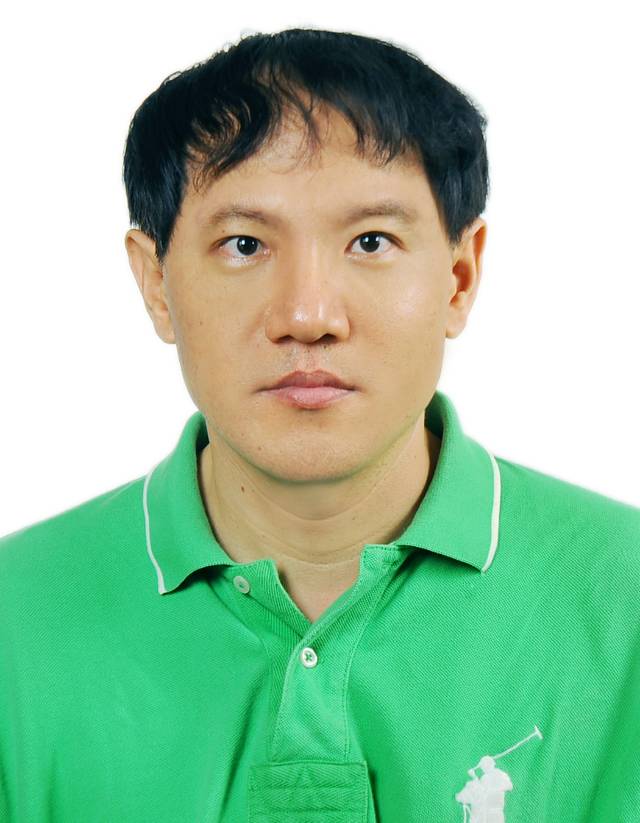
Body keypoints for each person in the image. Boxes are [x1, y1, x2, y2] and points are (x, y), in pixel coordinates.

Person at [0, 27, 638, 823]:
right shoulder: (14, 618)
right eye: (244, 244)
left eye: (371, 241)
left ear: (459, 275)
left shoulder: (625, 595)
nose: (307, 315)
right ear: (156, 283)